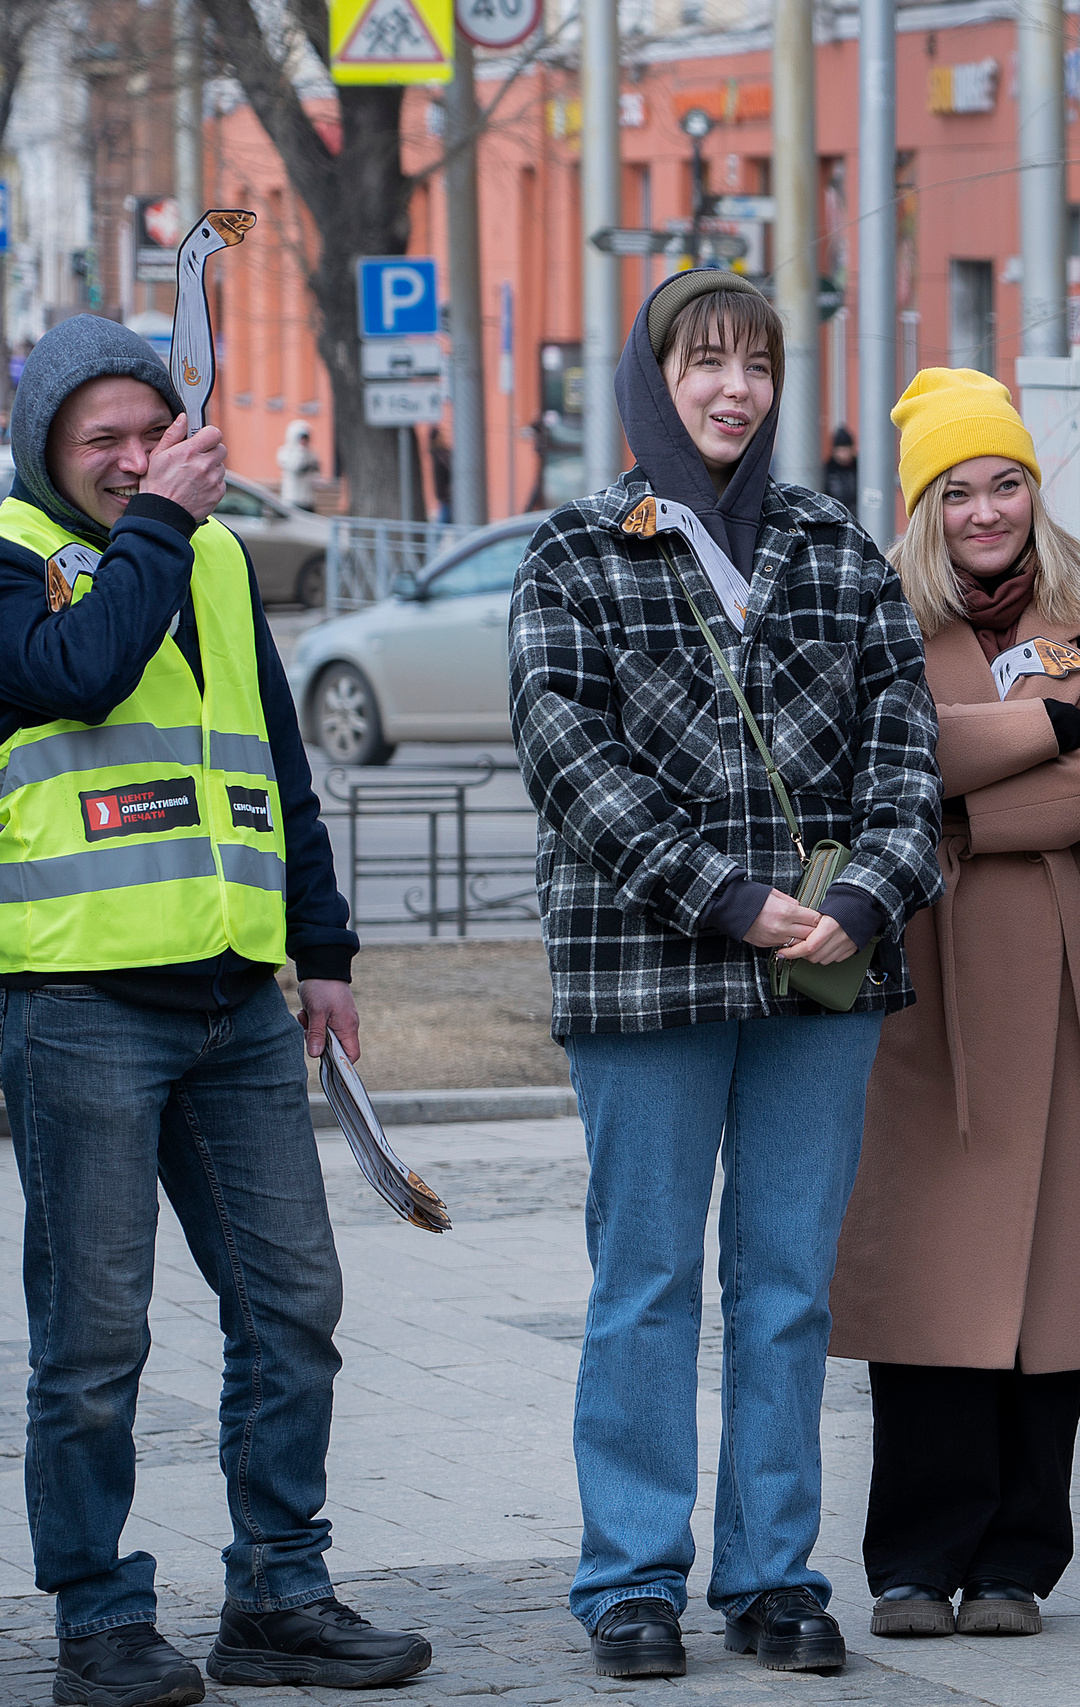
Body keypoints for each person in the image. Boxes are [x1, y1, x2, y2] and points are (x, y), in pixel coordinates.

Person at [509, 269, 943, 1678]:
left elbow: (906, 748)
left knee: (788, 1286)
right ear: (655, 379)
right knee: (645, 1280)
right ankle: (631, 1578)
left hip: (822, 975)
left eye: (755, 364)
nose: (734, 389)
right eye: (704, 361)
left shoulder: (835, 544)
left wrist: (867, 895)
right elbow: (570, 761)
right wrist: (731, 899)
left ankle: (774, 1576)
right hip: (645, 972)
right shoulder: (577, 550)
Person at [0, 316, 432, 1706]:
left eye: (154, 431)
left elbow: (276, 767)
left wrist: (325, 950)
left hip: (236, 997)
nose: (136, 460)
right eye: (103, 440)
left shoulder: (220, 558)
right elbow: (76, 672)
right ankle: (99, 1621)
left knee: (293, 1302)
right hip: (77, 996)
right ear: (47, 448)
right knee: (94, 1336)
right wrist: (161, 530)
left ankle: (279, 1594)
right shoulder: (16, 550)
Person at [831, 367, 1080, 1640]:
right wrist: (1057, 724)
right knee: (927, 1277)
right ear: (924, 508)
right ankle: (914, 1562)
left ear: (1035, 488)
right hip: (922, 983)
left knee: (1054, 1284)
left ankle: (1019, 1562)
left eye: (1005, 483)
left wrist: (971, 805)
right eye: (958, 490)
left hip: (1073, 984)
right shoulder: (874, 610)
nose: (985, 511)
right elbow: (880, 762)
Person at [277, 417, 319, 508]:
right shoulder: (285, 453)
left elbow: (316, 470)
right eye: (301, 438)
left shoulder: (311, 453)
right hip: (292, 498)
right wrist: (300, 451)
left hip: (308, 499)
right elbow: (296, 467)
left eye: (305, 438)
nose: (303, 441)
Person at [823, 423, 863, 513]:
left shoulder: (858, 468)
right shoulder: (828, 470)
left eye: (847, 449)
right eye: (841, 450)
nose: (844, 454)